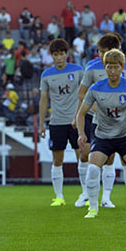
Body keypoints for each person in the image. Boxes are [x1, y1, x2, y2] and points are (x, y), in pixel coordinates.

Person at [75, 49, 126, 219]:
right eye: (109, 67)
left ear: (122, 67)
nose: (112, 71)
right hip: (103, 137)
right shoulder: (96, 88)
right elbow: (81, 113)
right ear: (104, 67)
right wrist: (81, 134)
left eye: (116, 67)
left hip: (125, 137)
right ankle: (93, 208)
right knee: (93, 170)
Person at [38, 38, 84, 206]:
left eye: (62, 54)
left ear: (67, 54)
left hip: (76, 122)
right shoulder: (46, 74)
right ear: (51, 56)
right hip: (56, 122)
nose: (59, 58)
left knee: (83, 158)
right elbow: (43, 100)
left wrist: (82, 116)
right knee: (57, 160)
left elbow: (85, 95)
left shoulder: (78, 70)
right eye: (55, 55)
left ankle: (86, 194)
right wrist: (41, 123)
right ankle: (59, 196)